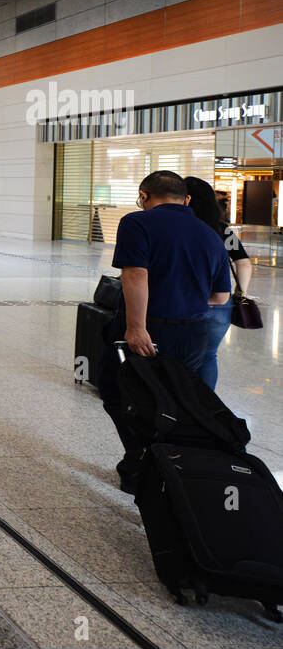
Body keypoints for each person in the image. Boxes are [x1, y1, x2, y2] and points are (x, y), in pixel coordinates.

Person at [96, 171, 231, 491]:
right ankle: (172, 466)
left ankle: (143, 460)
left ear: (144, 195)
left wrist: (136, 327)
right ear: (185, 200)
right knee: (175, 399)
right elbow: (220, 297)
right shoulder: (209, 232)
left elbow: (134, 276)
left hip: (151, 327)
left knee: (118, 391)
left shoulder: (137, 222)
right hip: (195, 332)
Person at [185, 175, 251, 390]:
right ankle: (206, 405)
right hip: (220, 302)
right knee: (209, 355)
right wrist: (241, 292)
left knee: (181, 356)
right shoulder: (222, 229)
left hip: (186, 302)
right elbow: (242, 261)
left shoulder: (181, 227)